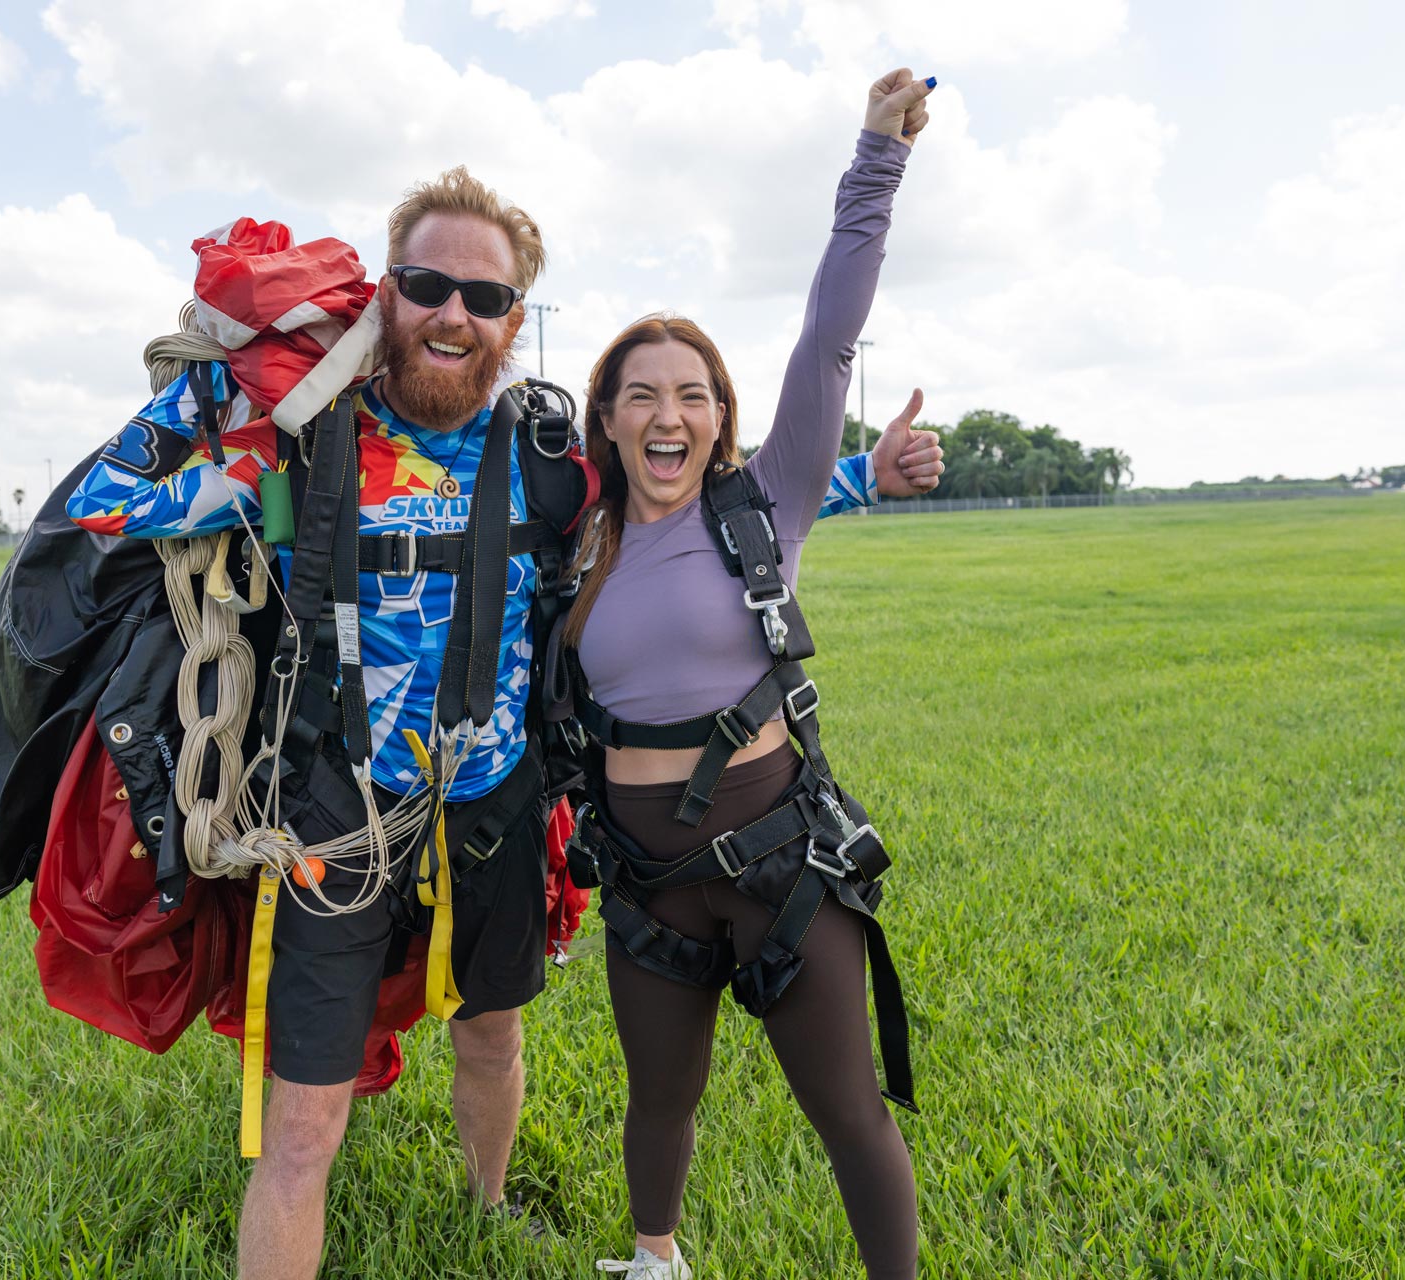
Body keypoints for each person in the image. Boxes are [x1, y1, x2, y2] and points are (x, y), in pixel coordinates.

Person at [63, 162, 910, 1278]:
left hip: (498, 803)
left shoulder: (555, 462)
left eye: (488, 297)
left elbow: (696, 502)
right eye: (426, 284)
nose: (456, 313)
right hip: (334, 808)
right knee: (303, 1119)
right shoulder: (302, 441)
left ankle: (486, 1203)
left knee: (493, 1028)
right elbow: (107, 499)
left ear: (515, 320)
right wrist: (235, 377)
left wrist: (863, 472)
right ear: (384, 297)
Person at [556, 69, 942, 1280]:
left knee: (849, 1110)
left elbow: (829, 331)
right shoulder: (569, 544)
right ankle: (657, 1257)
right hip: (642, 875)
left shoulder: (764, 504)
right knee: (657, 1096)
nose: (668, 415)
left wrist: (876, 157)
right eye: (641, 396)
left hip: (777, 860)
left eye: (693, 394)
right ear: (609, 420)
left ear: (722, 415)